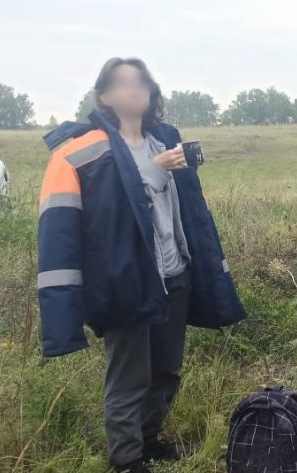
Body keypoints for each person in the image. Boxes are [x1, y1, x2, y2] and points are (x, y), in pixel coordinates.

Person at [37, 57, 245, 473]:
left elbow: (192, 212)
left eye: (142, 82)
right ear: (104, 96)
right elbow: (68, 229)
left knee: (166, 370)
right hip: (123, 282)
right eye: (122, 82)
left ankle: (149, 441)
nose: (135, 88)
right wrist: (153, 171)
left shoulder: (165, 142)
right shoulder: (78, 153)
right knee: (129, 377)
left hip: (175, 274)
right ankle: (127, 459)